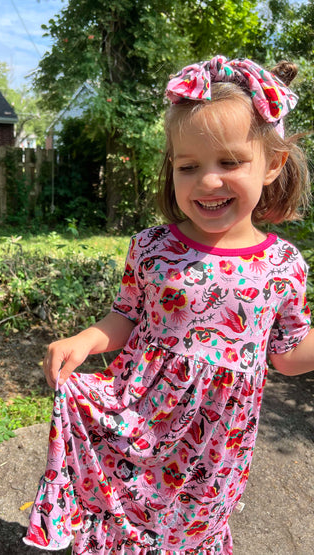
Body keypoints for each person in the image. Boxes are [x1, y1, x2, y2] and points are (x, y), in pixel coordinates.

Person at [23, 55, 314, 554]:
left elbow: (287, 356)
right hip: (139, 419)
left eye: (229, 162)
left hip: (215, 445)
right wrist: (86, 339)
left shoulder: (283, 265)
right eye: (188, 166)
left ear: (272, 165)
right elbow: (126, 316)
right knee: (125, 517)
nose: (207, 181)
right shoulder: (153, 247)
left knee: (190, 531)